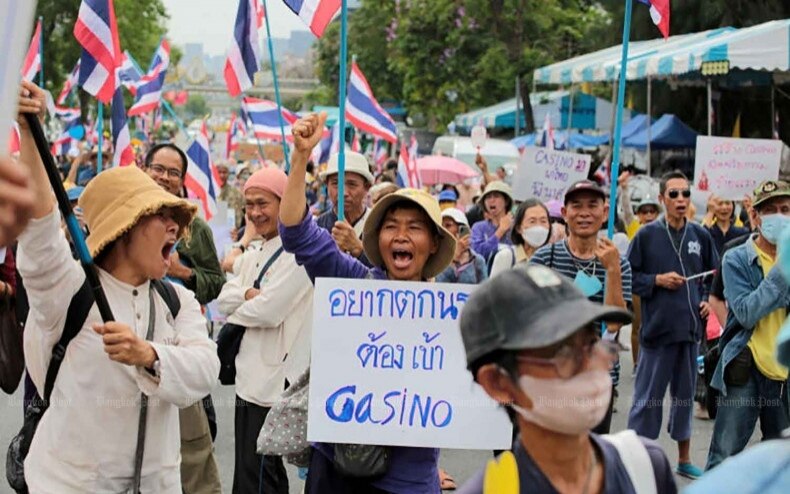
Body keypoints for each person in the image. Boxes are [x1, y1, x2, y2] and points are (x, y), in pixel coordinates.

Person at [15, 81, 219, 492]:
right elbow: (39, 233)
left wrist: (149, 354)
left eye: (175, 216)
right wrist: (28, 132)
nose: (174, 227)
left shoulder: (176, 300)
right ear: (123, 229)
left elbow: (205, 369)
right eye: (160, 215)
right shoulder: (69, 289)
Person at [279, 112, 456, 493]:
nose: (401, 235)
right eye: (391, 226)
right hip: (337, 471)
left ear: (434, 245)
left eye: (414, 227)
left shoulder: (453, 316)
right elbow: (297, 233)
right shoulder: (355, 284)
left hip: (410, 480)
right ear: (379, 241)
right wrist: (299, 158)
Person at [457, 265, 676, 494]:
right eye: (563, 353)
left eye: (592, 344)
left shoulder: (646, 468)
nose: (590, 367)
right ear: (497, 383)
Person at [217, 168, 312, 494]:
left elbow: (269, 311)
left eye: (263, 203)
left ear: (285, 202)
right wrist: (245, 295)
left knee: (260, 478)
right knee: (249, 474)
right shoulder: (259, 248)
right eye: (249, 205)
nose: (256, 213)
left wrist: (239, 302)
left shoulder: (300, 252)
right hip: (249, 377)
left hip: (272, 382)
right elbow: (223, 295)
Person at [626, 170, 719, 480]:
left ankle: (684, 458)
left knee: (684, 398)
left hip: (690, 334)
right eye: (674, 194)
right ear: (662, 198)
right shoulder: (646, 235)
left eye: (685, 194)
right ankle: (638, 461)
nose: (681, 200)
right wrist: (656, 280)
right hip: (656, 334)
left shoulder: (700, 235)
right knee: (647, 401)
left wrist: (706, 299)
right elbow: (630, 278)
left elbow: (711, 275)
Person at [144, 143, 224, 493]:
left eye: (172, 172)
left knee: (190, 443)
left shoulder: (196, 229)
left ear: (182, 179)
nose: (163, 177)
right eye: (157, 168)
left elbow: (215, 283)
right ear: (143, 168)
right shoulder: (120, 217)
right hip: (131, 344)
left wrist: (184, 273)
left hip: (181, 342)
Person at [530, 180, 631, 433]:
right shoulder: (544, 258)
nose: (584, 213)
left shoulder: (619, 263)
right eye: (576, 206)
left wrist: (612, 270)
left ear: (605, 212)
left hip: (597, 380)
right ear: (565, 214)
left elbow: (614, 323)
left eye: (592, 205)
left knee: (589, 463)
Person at [705, 180, 790, 470]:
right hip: (746, 369)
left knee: (782, 464)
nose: (779, 216)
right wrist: (781, 271)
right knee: (723, 457)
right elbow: (745, 313)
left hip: (784, 376)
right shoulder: (737, 258)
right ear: (755, 216)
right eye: (770, 210)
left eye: (786, 209)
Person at [317, 151, 374, 266]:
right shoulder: (318, 227)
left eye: (352, 184)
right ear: (326, 185)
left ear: (366, 187)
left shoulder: (378, 225)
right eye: (336, 183)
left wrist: (359, 249)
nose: (343, 192)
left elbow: (386, 274)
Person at [490, 199, 551, 277]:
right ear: (519, 228)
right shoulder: (506, 256)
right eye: (532, 221)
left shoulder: (552, 258)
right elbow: (495, 288)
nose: (539, 226)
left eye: (543, 221)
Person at [436, 208, 487, 285]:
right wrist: (454, 257)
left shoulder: (477, 261)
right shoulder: (435, 258)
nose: (443, 230)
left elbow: (484, 290)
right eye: (441, 226)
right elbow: (437, 285)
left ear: (461, 229)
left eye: (448, 225)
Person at [470, 181, 514, 263]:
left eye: (496, 196)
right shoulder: (478, 227)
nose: (491, 200)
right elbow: (478, 255)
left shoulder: (516, 227)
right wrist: (500, 231)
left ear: (506, 201)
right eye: (488, 197)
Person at [216, 161, 245, 229]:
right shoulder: (209, 193)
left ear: (228, 173)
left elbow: (239, 214)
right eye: (219, 172)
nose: (222, 175)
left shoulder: (236, 193)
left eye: (224, 172)